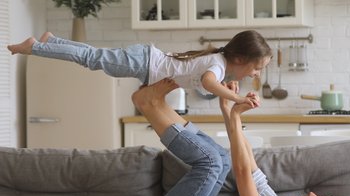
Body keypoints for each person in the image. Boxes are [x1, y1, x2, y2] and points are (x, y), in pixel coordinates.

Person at [131, 78, 350, 196]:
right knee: (222, 160)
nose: (311, 195)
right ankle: (156, 105)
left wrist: (236, 116)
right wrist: (227, 108)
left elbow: (243, 173)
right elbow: (250, 165)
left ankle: (147, 106)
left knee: (211, 163)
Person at [7, 30, 272, 107]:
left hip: (143, 60)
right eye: (257, 67)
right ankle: (36, 47)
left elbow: (207, 84)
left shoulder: (218, 62)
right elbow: (208, 83)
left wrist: (228, 91)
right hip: (143, 62)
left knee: (93, 56)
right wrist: (236, 97)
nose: (256, 74)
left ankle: (51, 42)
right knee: (91, 57)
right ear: (240, 59)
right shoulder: (216, 65)